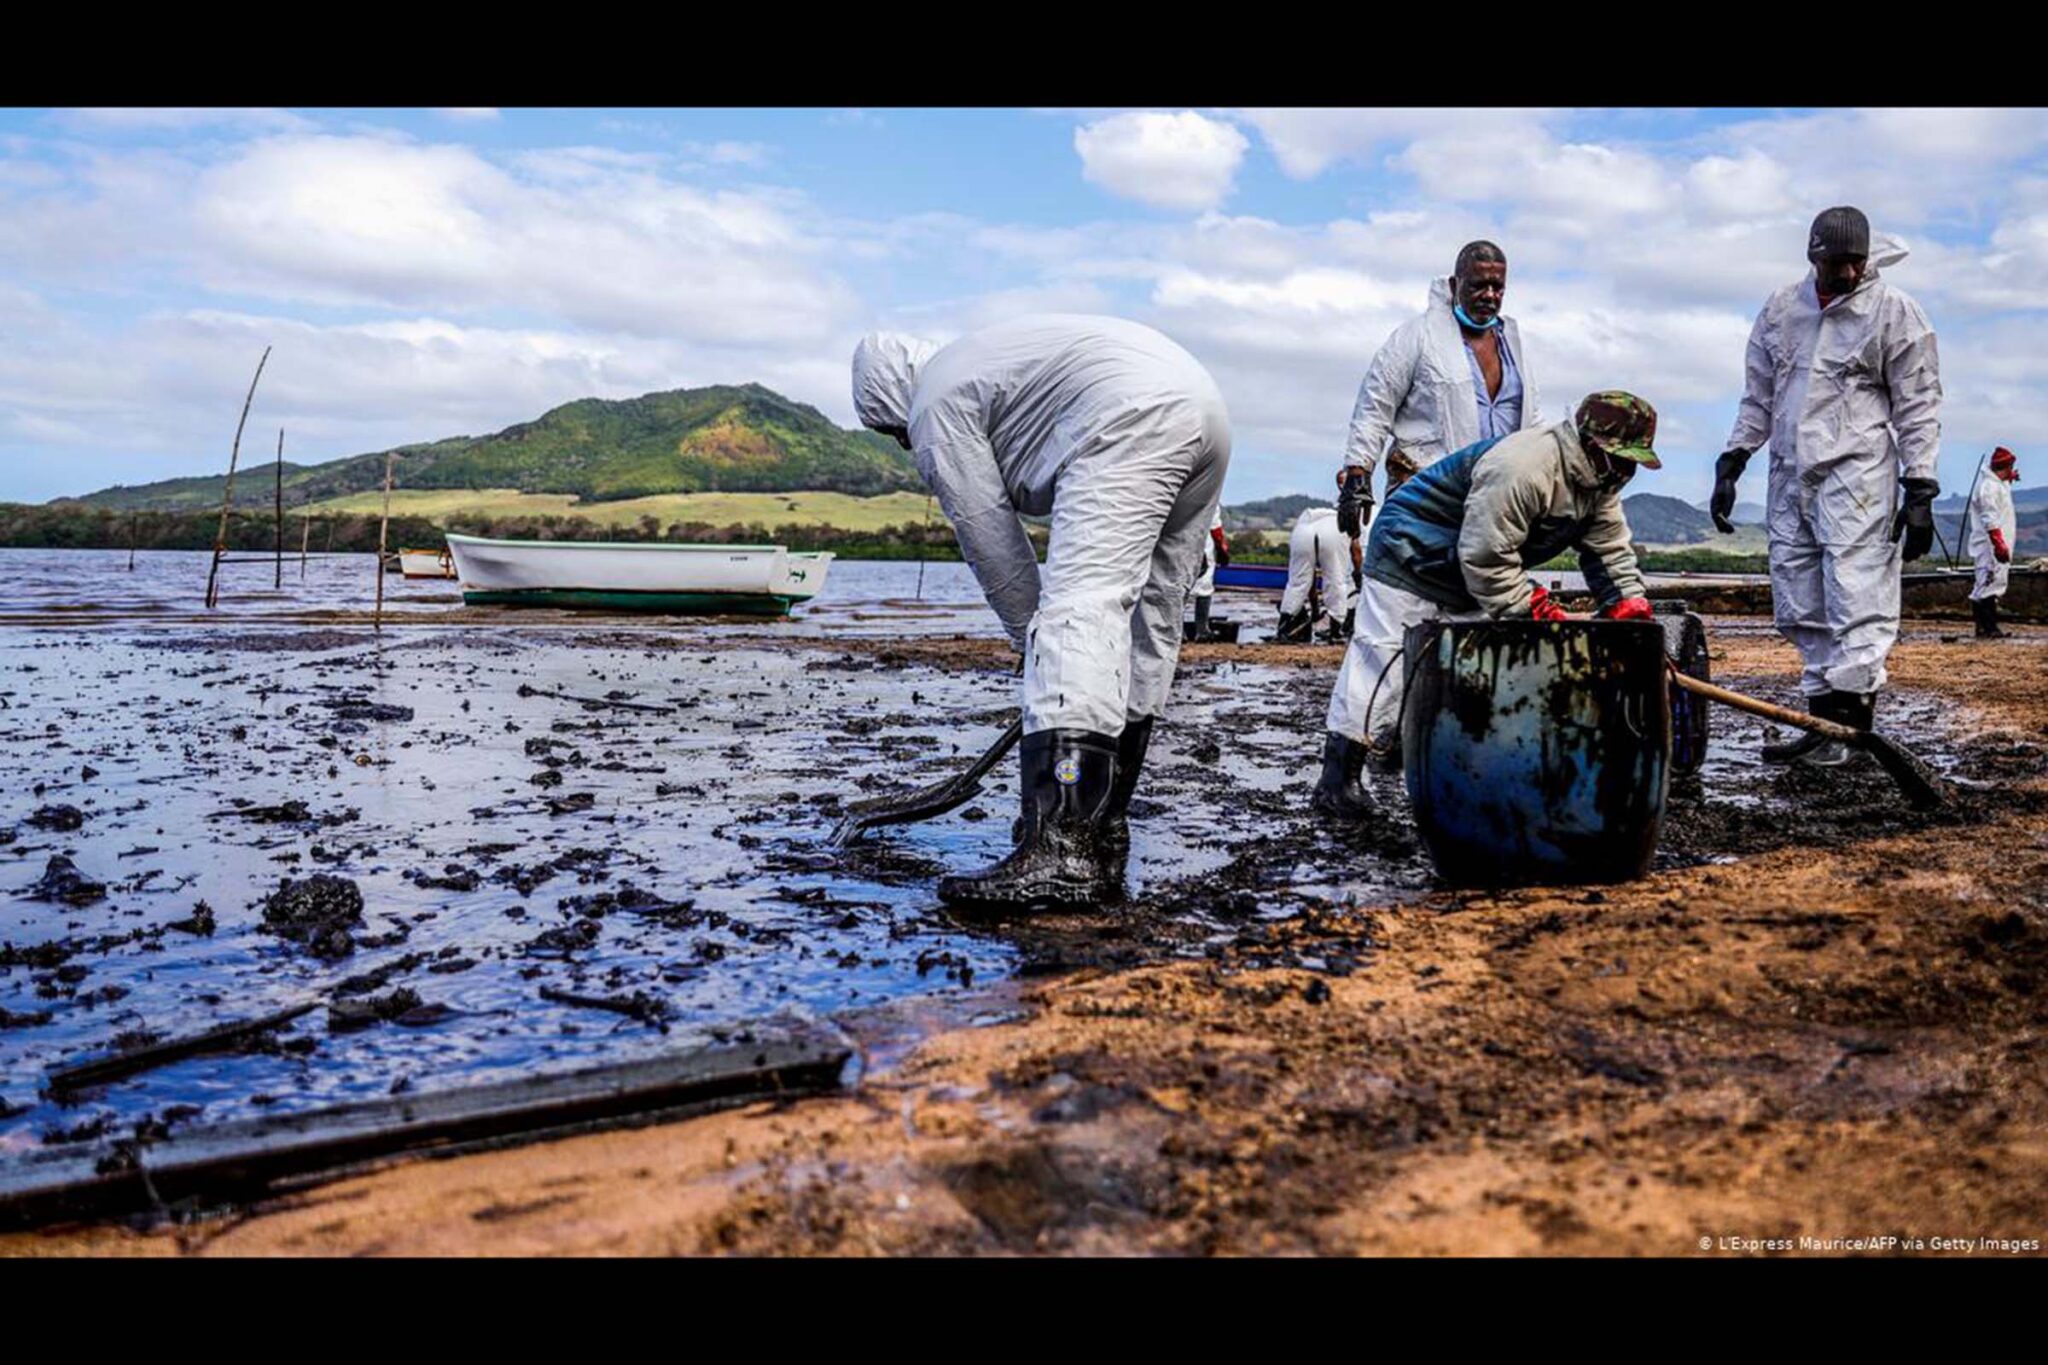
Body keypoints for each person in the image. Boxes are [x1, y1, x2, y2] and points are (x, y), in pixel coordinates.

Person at [850, 315, 1230, 909]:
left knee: (1078, 610)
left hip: (1128, 413)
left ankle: (1063, 851)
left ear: (892, 398)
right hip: (1204, 408)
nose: (904, 443)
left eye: (893, 432)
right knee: (1150, 622)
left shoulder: (933, 403)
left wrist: (1038, 651)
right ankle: (1100, 828)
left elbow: (991, 542)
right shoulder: (977, 362)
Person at [1313, 393, 1661, 818]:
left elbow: (1609, 552)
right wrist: (1531, 606)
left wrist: (1627, 603)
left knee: (1466, 669)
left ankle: (1421, 759)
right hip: (1410, 550)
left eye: (1633, 464)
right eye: (1620, 459)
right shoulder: (1524, 466)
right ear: (1591, 443)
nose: (1626, 472)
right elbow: (1486, 557)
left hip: (1464, 571)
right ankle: (1337, 781)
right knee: (1382, 661)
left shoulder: (1599, 487)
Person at [1710, 206, 1944, 767]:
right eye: (1835, 263)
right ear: (1813, 257)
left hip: (1856, 472)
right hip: (1790, 474)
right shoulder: (1781, 310)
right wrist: (1734, 457)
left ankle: (1851, 733)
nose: (1846, 275)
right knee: (1799, 595)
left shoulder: (1892, 312)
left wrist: (1920, 488)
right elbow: (1760, 393)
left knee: (1856, 594)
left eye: (1855, 263)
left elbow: (1919, 405)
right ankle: (1819, 726)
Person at [1336, 240, 1541, 542]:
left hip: (1494, 502)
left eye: (1497, 288)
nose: (1489, 295)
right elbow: (1375, 404)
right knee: (1414, 585)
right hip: (1423, 492)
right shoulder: (1417, 336)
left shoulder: (1513, 347)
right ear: (1455, 284)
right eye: (1478, 286)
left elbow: (1530, 419)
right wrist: (1358, 473)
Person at [1277, 477, 1361, 642]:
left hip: (1302, 528)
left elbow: (1309, 582)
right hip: (1333, 530)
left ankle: (1283, 629)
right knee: (1336, 579)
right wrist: (1359, 575)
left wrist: (1315, 609)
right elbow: (1356, 553)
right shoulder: (1348, 518)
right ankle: (1336, 631)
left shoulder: (1318, 517)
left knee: (1297, 582)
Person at [1969, 446, 2020, 639]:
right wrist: (1997, 542)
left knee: (1995, 581)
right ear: (2004, 466)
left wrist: (2011, 478)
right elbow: (1989, 517)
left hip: (1997, 543)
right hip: (1989, 545)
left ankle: (1988, 626)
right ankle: (1986, 627)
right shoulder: (1988, 488)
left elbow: (2003, 484)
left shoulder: (1997, 483)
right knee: (1987, 582)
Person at [1189, 508, 1231, 641]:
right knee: (1204, 586)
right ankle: (1202, 630)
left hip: (1175, 541)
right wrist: (1222, 548)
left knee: (1174, 585)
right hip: (1201, 542)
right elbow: (1215, 527)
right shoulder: (1209, 493)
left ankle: (1176, 631)